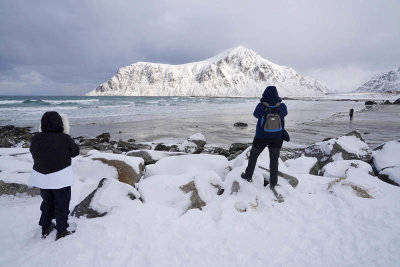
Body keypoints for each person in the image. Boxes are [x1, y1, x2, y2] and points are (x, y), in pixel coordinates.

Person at [29, 111, 79, 240]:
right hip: (60, 178)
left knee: (47, 202)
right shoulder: (65, 138)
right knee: (61, 204)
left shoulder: (35, 138)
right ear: (60, 123)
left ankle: (45, 227)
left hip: (41, 177)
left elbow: (33, 152)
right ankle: (61, 230)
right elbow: (75, 152)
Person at [241, 86, 288, 189]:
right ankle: (273, 183)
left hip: (261, 137)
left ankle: (248, 176)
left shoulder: (261, 106)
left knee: (253, 157)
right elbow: (285, 114)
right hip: (277, 138)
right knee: (274, 161)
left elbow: (255, 114)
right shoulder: (282, 106)